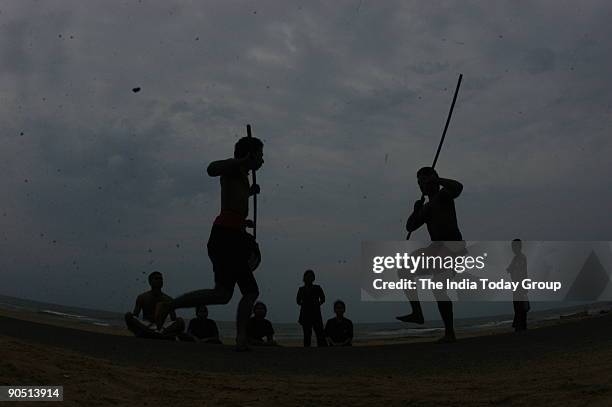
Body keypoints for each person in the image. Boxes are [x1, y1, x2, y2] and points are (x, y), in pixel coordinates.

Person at [155, 135, 264, 351]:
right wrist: (241, 161)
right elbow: (211, 168)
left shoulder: (243, 177)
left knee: (223, 295)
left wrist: (248, 201)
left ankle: (170, 305)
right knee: (248, 291)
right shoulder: (233, 169)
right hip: (225, 237)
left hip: (233, 236)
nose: (262, 160)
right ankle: (241, 338)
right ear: (250, 155)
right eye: (260, 155)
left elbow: (234, 204)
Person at [397, 167, 465, 343]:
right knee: (404, 270)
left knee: (438, 286)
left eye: (425, 180)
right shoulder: (426, 208)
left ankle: (450, 333)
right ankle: (417, 313)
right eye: (419, 183)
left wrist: (438, 179)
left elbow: (458, 187)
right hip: (436, 249)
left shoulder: (444, 196)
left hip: (452, 247)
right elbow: (410, 226)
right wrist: (415, 209)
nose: (422, 185)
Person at [124, 271, 185, 339]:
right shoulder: (142, 297)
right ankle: (157, 334)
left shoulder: (168, 299)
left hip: (162, 327)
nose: (159, 280)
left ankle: (154, 334)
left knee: (180, 321)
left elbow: (173, 318)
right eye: (156, 279)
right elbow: (135, 316)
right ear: (150, 282)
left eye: (161, 279)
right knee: (128, 316)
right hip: (146, 325)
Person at [296, 269, 327, 347]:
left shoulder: (317, 287)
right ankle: (307, 349)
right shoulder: (301, 289)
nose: (309, 278)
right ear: (304, 278)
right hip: (305, 314)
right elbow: (298, 300)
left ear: (313, 278)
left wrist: (317, 304)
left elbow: (323, 299)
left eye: (311, 276)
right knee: (307, 334)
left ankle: (322, 348)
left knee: (320, 333)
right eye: (307, 276)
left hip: (316, 313)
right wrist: (304, 305)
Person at [507, 239, 529, 332]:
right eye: (512, 246)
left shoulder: (521, 257)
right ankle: (520, 326)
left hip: (520, 285)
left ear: (519, 246)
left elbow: (521, 272)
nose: (513, 248)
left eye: (514, 246)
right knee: (518, 306)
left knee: (520, 306)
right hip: (517, 285)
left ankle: (520, 326)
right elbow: (510, 269)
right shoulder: (516, 258)